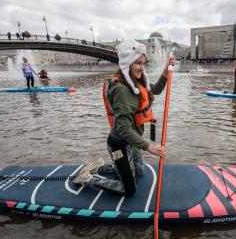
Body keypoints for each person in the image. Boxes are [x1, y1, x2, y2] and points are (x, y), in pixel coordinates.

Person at [73, 39, 174, 196]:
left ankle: (100, 167)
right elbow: (123, 128)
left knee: (139, 172)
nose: (142, 67)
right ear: (127, 64)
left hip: (131, 142)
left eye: (143, 63)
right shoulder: (122, 90)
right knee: (128, 189)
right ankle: (87, 178)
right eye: (138, 63)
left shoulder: (137, 81)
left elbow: (155, 90)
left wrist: (166, 71)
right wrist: (149, 147)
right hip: (118, 145)